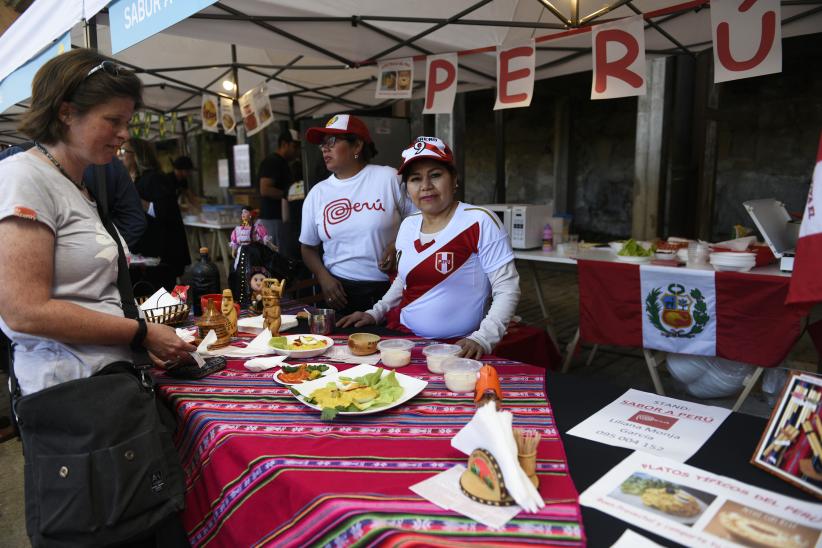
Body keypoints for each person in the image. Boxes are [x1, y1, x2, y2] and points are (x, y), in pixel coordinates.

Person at [0, 48, 194, 544]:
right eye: (114, 120)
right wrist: (140, 330)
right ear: (66, 111)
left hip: (105, 391)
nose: (125, 134)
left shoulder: (78, 184)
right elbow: (22, 310)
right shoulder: (24, 177)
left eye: (128, 121)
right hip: (73, 399)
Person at [338, 136, 521, 359]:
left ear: (454, 179)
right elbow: (403, 280)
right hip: (406, 340)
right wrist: (376, 313)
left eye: (435, 175)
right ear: (407, 189)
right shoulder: (408, 224)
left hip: (459, 347)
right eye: (415, 179)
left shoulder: (480, 221)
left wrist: (484, 338)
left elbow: (507, 287)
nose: (425, 186)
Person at [300, 114, 413, 316]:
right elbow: (307, 246)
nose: (325, 148)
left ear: (357, 146)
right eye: (322, 144)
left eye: (332, 141)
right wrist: (323, 277)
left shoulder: (388, 178)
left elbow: (420, 219)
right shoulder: (318, 193)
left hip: (391, 289)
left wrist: (397, 244)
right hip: (340, 293)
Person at [0, 143, 146, 249]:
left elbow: (134, 220)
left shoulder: (108, 165)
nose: (124, 134)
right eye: (112, 120)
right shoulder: (14, 158)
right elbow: (134, 221)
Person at [122, 137, 190, 283]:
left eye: (123, 151)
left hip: (162, 254)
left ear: (138, 155)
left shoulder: (155, 178)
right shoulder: (135, 179)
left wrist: (135, 200)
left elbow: (164, 212)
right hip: (144, 253)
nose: (119, 155)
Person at [258, 129, 300, 255]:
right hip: (272, 219)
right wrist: (288, 194)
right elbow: (265, 189)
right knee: (275, 257)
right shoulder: (272, 161)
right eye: (294, 146)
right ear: (284, 144)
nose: (297, 150)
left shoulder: (284, 163)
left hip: (281, 219)